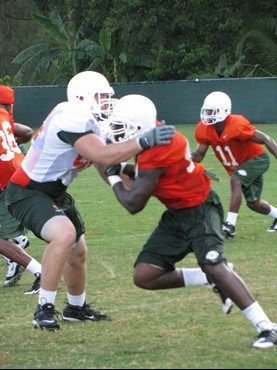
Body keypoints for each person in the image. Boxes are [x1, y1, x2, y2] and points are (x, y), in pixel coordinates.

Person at [4, 71, 175, 331]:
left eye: (108, 97)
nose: (107, 102)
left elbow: (106, 167)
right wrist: (142, 142)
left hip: (54, 192)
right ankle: (44, 309)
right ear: (82, 97)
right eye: (102, 97)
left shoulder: (93, 124)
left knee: (77, 250)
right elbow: (103, 155)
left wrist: (142, 179)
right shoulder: (70, 116)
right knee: (63, 234)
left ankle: (76, 308)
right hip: (26, 190)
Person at [104, 94, 277, 349]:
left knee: (214, 265)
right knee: (145, 275)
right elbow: (151, 174)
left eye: (122, 127)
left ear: (141, 125)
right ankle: (208, 278)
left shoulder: (157, 150)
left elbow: (133, 203)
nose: (117, 133)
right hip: (177, 213)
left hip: (201, 209)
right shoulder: (161, 134)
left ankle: (267, 327)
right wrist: (125, 167)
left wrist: (113, 176)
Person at [192, 91, 277, 240]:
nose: (208, 114)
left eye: (212, 111)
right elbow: (198, 155)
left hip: (257, 159)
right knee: (254, 203)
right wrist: (182, 161)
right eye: (207, 110)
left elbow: (265, 138)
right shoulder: (205, 129)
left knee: (236, 180)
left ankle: (230, 225)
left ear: (224, 111)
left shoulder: (236, 124)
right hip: (240, 165)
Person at [0, 85, 41, 293]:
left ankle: (40, 271)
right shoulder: (5, 118)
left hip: (9, 182)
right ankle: (18, 243)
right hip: (18, 174)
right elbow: (25, 132)